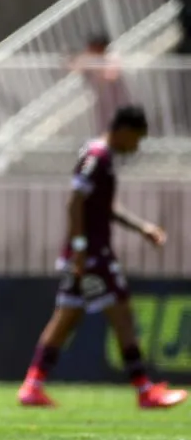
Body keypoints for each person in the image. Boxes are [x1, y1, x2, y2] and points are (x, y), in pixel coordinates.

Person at [17, 105, 187, 409]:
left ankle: (32, 385)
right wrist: (81, 249)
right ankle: (145, 389)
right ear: (124, 130)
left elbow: (102, 207)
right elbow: (74, 202)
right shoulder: (97, 158)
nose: (136, 147)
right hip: (92, 254)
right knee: (121, 313)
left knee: (67, 316)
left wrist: (142, 228)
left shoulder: (102, 158)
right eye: (136, 139)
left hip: (85, 253)